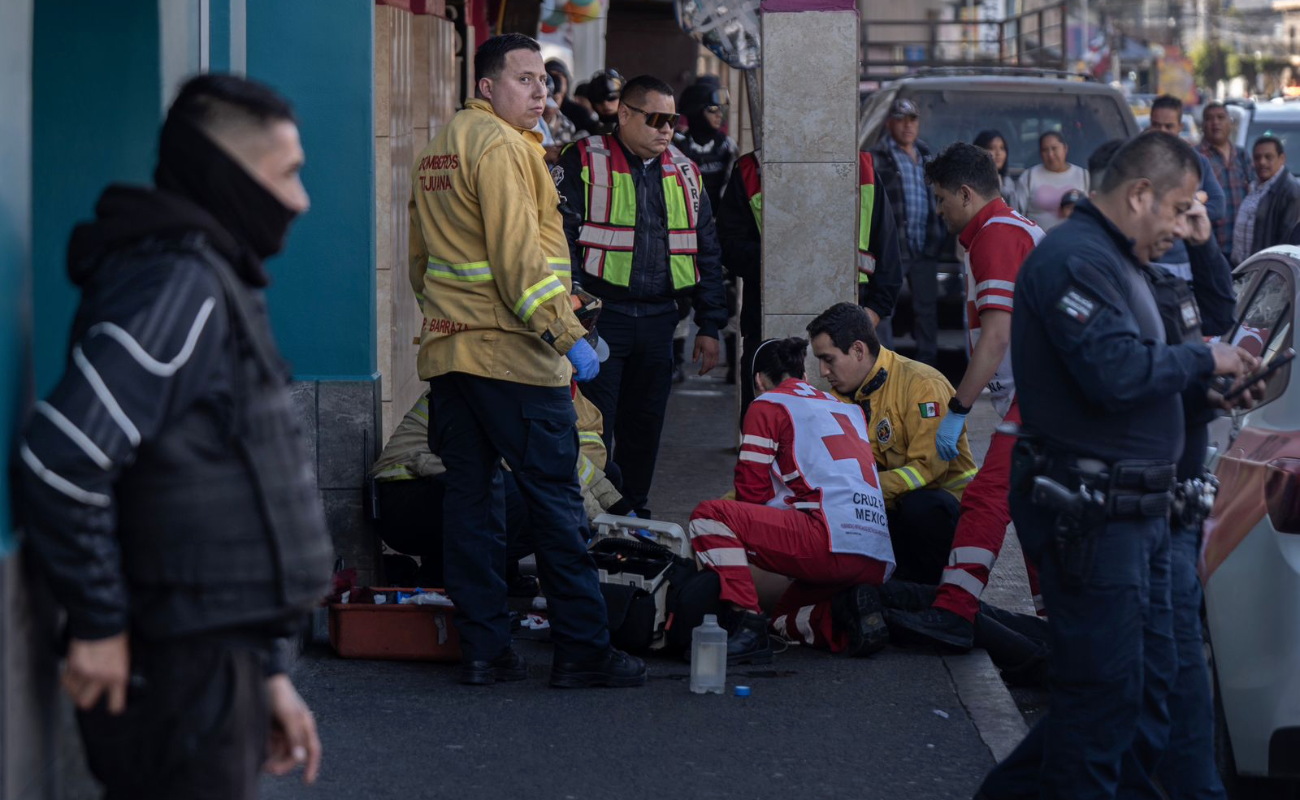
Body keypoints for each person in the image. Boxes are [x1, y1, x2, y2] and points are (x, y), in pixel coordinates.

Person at [15, 74, 333, 797]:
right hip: (180, 667)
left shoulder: (213, 277)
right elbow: (64, 456)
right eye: (286, 175)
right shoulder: (177, 284)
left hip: (220, 659)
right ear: (228, 176)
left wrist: (268, 675)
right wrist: (99, 622)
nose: (300, 200)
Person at [976, 132, 1258, 800]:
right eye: (1178, 208)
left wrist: (1205, 389)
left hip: (1137, 516)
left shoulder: (1122, 260)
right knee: (1100, 707)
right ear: (1138, 195)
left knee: (1132, 700)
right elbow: (1111, 371)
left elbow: (1138, 371)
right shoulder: (1076, 259)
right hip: (1096, 519)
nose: (1182, 225)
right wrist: (1204, 361)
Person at [409, 33, 645, 689]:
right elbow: (522, 266)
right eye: (523, 79)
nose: (540, 90)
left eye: (543, 78)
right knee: (557, 505)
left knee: (470, 509)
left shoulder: (436, 152)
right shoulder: (505, 149)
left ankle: (484, 652)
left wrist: (451, 318)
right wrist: (567, 335)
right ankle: (583, 651)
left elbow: (420, 266)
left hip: (450, 358)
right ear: (487, 87)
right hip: (514, 360)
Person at [885, 143, 1045, 649]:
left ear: (965, 192)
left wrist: (957, 409)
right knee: (1034, 513)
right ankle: (1056, 630)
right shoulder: (1005, 230)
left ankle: (954, 609)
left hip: (1043, 396)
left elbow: (996, 338)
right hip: (1049, 394)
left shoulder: (995, 236)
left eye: (940, 199)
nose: (938, 210)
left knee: (987, 496)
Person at [554, 74, 728, 517]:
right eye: (655, 118)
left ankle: (635, 516)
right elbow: (560, 242)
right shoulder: (584, 159)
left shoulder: (686, 172)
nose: (665, 129)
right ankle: (593, 516)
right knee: (594, 429)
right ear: (626, 115)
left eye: (671, 120)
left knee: (645, 428)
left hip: (659, 322)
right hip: (600, 321)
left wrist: (710, 325)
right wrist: (572, 319)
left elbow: (707, 248)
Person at [687, 337, 895, 663]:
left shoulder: (767, 404)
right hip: (877, 553)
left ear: (758, 380)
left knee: (709, 515)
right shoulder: (846, 408)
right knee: (783, 618)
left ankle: (746, 620)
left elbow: (751, 495)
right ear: (805, 376)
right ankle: (844, 613)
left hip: (827, 540)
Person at [369, 387, 624, 589]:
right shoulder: (500, 392)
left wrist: (615, 507)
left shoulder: (529, 388)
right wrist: (597, 519)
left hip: (441, 488)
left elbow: (570, 455)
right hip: (402, 501)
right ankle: (444, 577)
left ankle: (496, 574)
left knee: (530, 493)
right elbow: (542, 469)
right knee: (532, 502)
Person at [718, 148, 904, 418]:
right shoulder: (752, 170)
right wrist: (786, 255)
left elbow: (889, 257)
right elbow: (728, 245)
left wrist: (871, 315)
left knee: (847, 432)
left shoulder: (861, 169)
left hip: (848, 325)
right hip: (770, 330)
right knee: (770, 427)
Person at [808, 302, 978, 586]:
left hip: (950, 512)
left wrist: (862, 492)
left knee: (919, 507)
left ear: (858, 351)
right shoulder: (843, 397)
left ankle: (929, 594)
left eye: (829, 359)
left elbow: (927, 471)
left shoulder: (922, 384)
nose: (823, 372)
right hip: (894, 506)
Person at [870, 98, 947, 366]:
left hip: (923, 245)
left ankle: (927, 365)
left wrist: (937, 235)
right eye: (901, 119)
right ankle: (886, 365)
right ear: (890, 122)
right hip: (893, 246)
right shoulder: (878, 156)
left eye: (912, 119)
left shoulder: (927, 155)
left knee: (926, 310)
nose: (907, 125)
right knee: (884, 307)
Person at [1148, 95, 1227, 282]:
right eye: (1156, 125)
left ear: (1179, 128)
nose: (1162, 132)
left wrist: (1185, 207)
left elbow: (1219, 205)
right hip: (1146, 262)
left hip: (1186, 263)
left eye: (1168, 126)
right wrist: (1197, 200)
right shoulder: (1137, 160)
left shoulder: (1197, 161)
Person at [1231, 135, 1300, 265]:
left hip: (1265, 271)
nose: (1262, 162)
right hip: (1246, 268)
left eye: (1268, 157)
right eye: (1257, 157)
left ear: (1281, 159)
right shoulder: (1256, 185)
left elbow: (1286, 242)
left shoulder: (1290, 190)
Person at [1198, 101, 1254, 258]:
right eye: (1209, 118)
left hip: (1242, 250)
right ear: (1203, 125)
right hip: (1209, 247)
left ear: (1230, 122)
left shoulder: (1242, 156)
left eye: (1220, 117)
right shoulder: (1195, 157)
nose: (1215, 122)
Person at [672, 80, 738, 209]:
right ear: (695, 111)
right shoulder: (674, 147)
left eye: (721, 109)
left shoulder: (728, 146)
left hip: (719, 220)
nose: (719, 115)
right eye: (712, 109)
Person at [1014, 130, 1090, 231]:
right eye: (1045, 150)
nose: (1050, 154)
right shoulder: (1029, 177)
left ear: (1065, 148)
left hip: (1074, 242)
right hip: (1037, 244)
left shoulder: (1083, 176)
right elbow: (1017, 215)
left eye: (1054, 148)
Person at [546, 59, 598, 136]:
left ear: (566, 81)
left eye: (559, 77)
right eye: (550, 77)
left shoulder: (579, 113)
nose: (555, 82)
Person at [974, 129, 1015, 204]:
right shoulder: (972, 183)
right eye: (991, 148)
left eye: (1002, 148)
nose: (998, 153)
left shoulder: (1007, 182)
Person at [580, 69, 624, 135]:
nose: (605, 104)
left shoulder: (636, 127)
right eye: (598, 99)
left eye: (612, 98)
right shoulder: (587, 132)